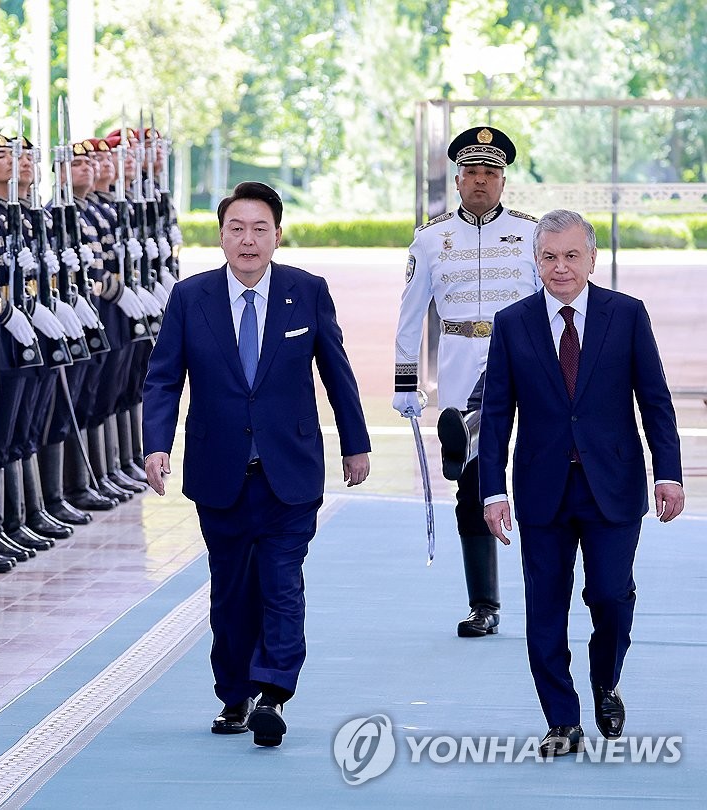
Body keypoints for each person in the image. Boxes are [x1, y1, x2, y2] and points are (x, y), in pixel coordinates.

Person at [142, 181, 371, 748]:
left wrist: (355, 443)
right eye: (236, 229)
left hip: (288, 471)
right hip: (219, 472)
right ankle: (234, 695)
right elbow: (164, 378)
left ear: (277, 234)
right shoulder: (190, 297)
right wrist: (156, 444)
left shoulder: (306, 291)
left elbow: (336, 372)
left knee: (282, 583)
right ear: (220, 235)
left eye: (259, 229)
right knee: (231, 592)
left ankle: (273, 691)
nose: (248, 240)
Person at [480, 209, 684, 756]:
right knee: (545, 607)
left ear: (592, 258)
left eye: (572, 256)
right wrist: (492, 490)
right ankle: (562, 720)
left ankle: (604, 679)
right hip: (542, 489)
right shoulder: (512, 322)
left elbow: (655, 401)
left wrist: (668, 472)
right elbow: (497, 414)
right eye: (549, 256)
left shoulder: (627, 315)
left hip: (613, 486)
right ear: (535, 260)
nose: (560, 267)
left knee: (611, 596)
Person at [392, 126, 540, 638]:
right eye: (472, 173)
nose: (481, 182)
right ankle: (484, 604)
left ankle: (551, 588)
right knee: (473, 484)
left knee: (540, 471)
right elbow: (411, 315)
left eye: (491, 173)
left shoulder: (530, 235)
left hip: (524, 359)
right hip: (459, 360)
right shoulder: (430, 239)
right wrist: (406, 383)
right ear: (458, 179)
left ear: (504, 181)